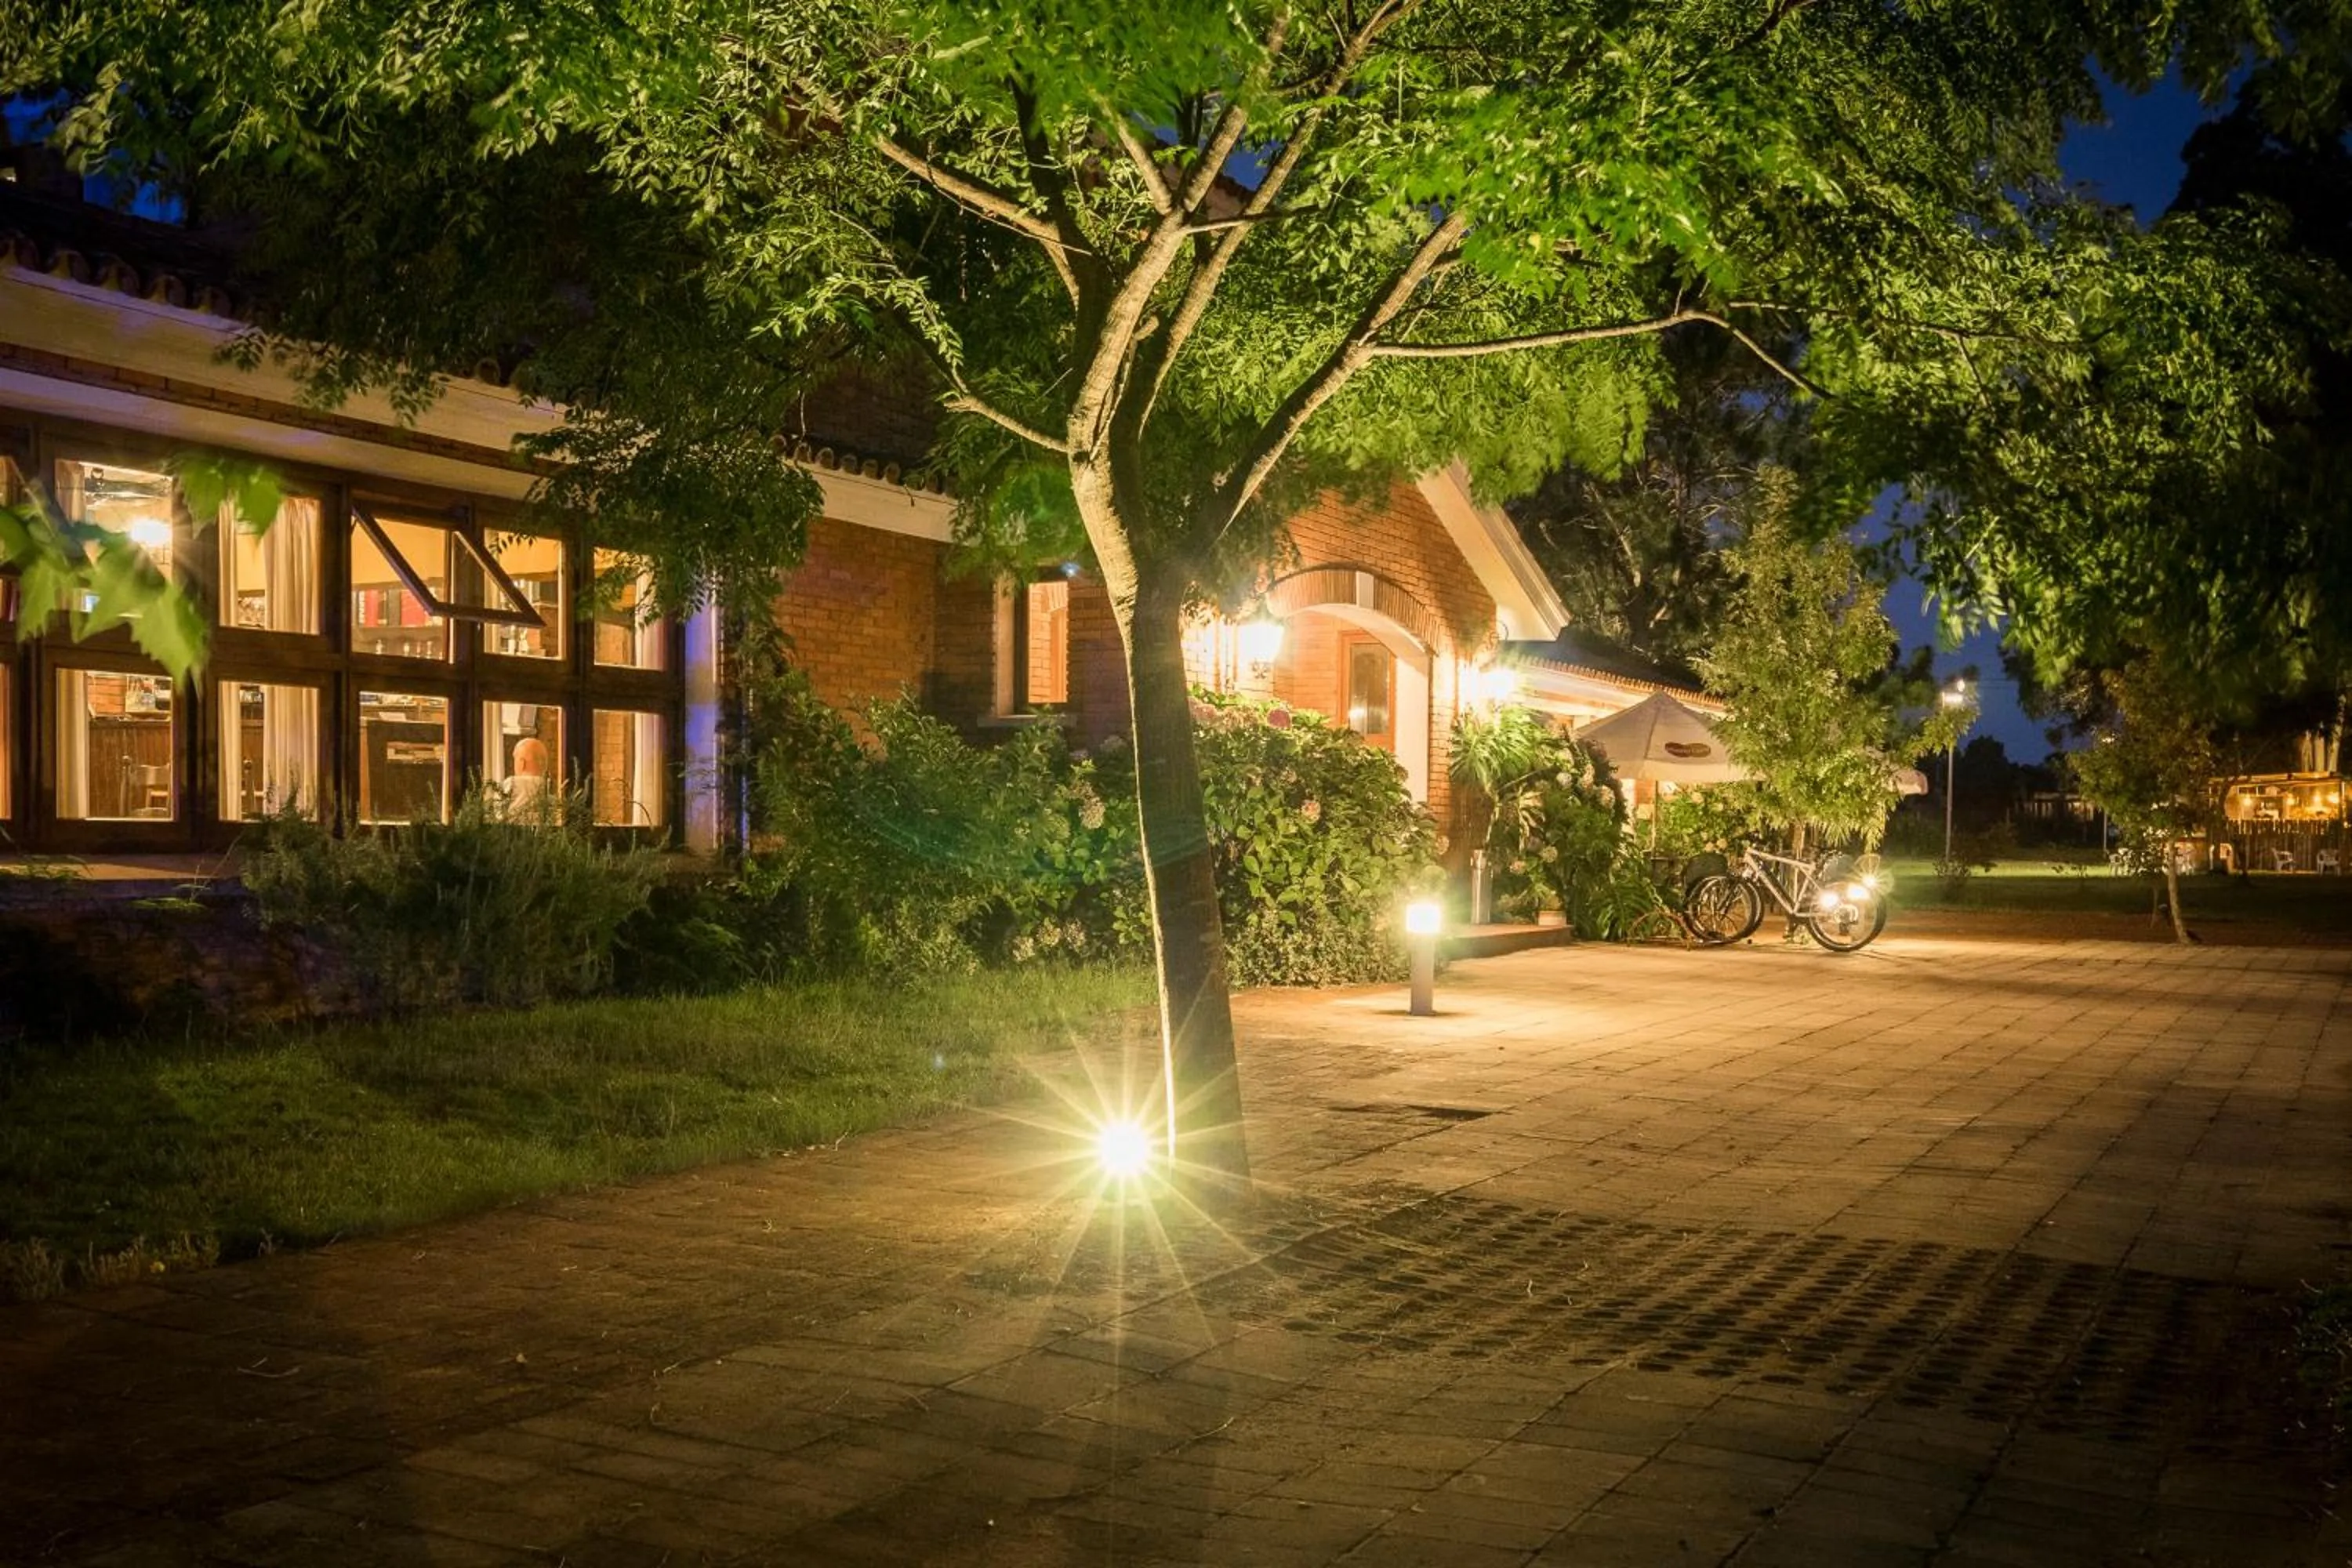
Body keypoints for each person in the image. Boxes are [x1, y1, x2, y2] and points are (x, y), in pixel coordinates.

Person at [503, 735, 552, 816]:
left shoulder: (511, 783)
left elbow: (493, 811)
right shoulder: (549, 788)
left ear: (522, 763)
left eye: (515, 760)